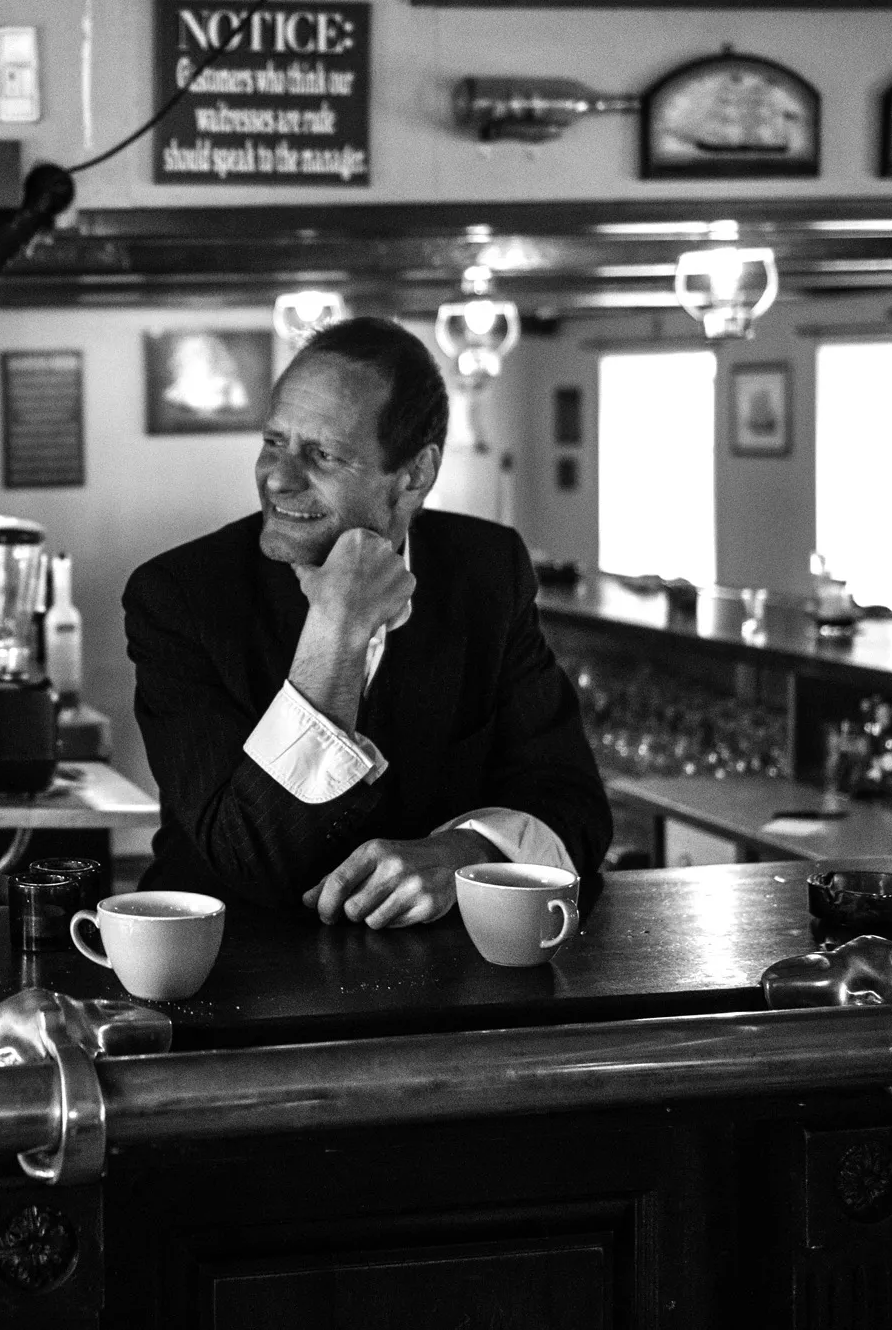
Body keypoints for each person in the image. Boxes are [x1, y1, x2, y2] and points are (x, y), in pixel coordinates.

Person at [123, 317, 610, 928]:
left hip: (443, 968)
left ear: (415, 475)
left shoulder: (488, 570)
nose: (277, 477)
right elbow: (248, 854)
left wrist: (468, 854)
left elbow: (574, 805)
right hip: (227, 958)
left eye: (322, 455)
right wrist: (337, 628)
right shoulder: (180, 596)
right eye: (273, 441)